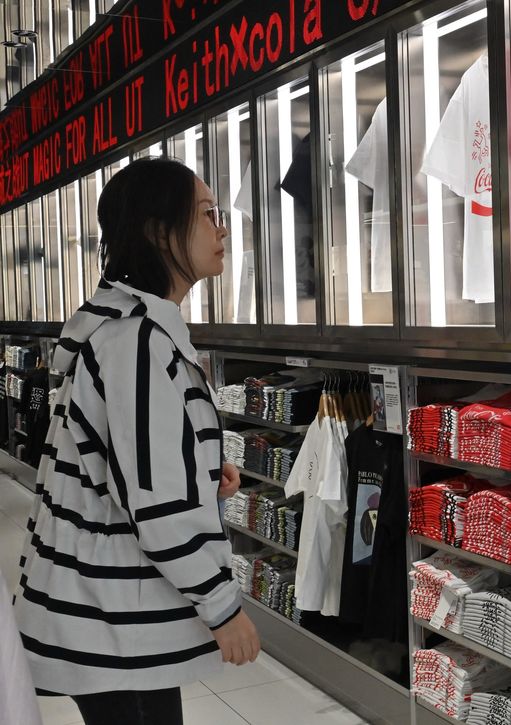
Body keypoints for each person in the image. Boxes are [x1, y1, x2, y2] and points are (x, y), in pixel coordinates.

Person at [13, 157, 260, 725]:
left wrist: (196, 470)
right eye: (205, 214)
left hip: (109, 617)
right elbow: (155, 506)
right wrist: (223, 609)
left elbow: (119, 463)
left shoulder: (122, 329)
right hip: (113, 624)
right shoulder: (138, 341)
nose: (221, 228)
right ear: (156, 230)